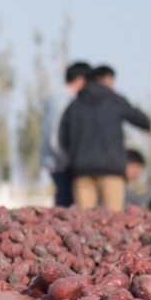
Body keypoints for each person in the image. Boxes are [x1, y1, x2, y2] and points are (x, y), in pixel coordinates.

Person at [58, 65, 151, 209]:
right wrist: (148, 126)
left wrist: (74, 157)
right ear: (108, 80)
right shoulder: (115, 100)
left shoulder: (74, 105)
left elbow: (63, 137)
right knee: (114, 220)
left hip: (82, 170)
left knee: (84, 223)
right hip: (111, 169)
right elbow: (138, 117)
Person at [39, 61, 92, 208]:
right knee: (65, 203)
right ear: (81, 80)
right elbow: (55, 133)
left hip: (55, 158)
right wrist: (67, 159)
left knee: (65, 200)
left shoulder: (56, 97)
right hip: (60, 161)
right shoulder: (65, 100)